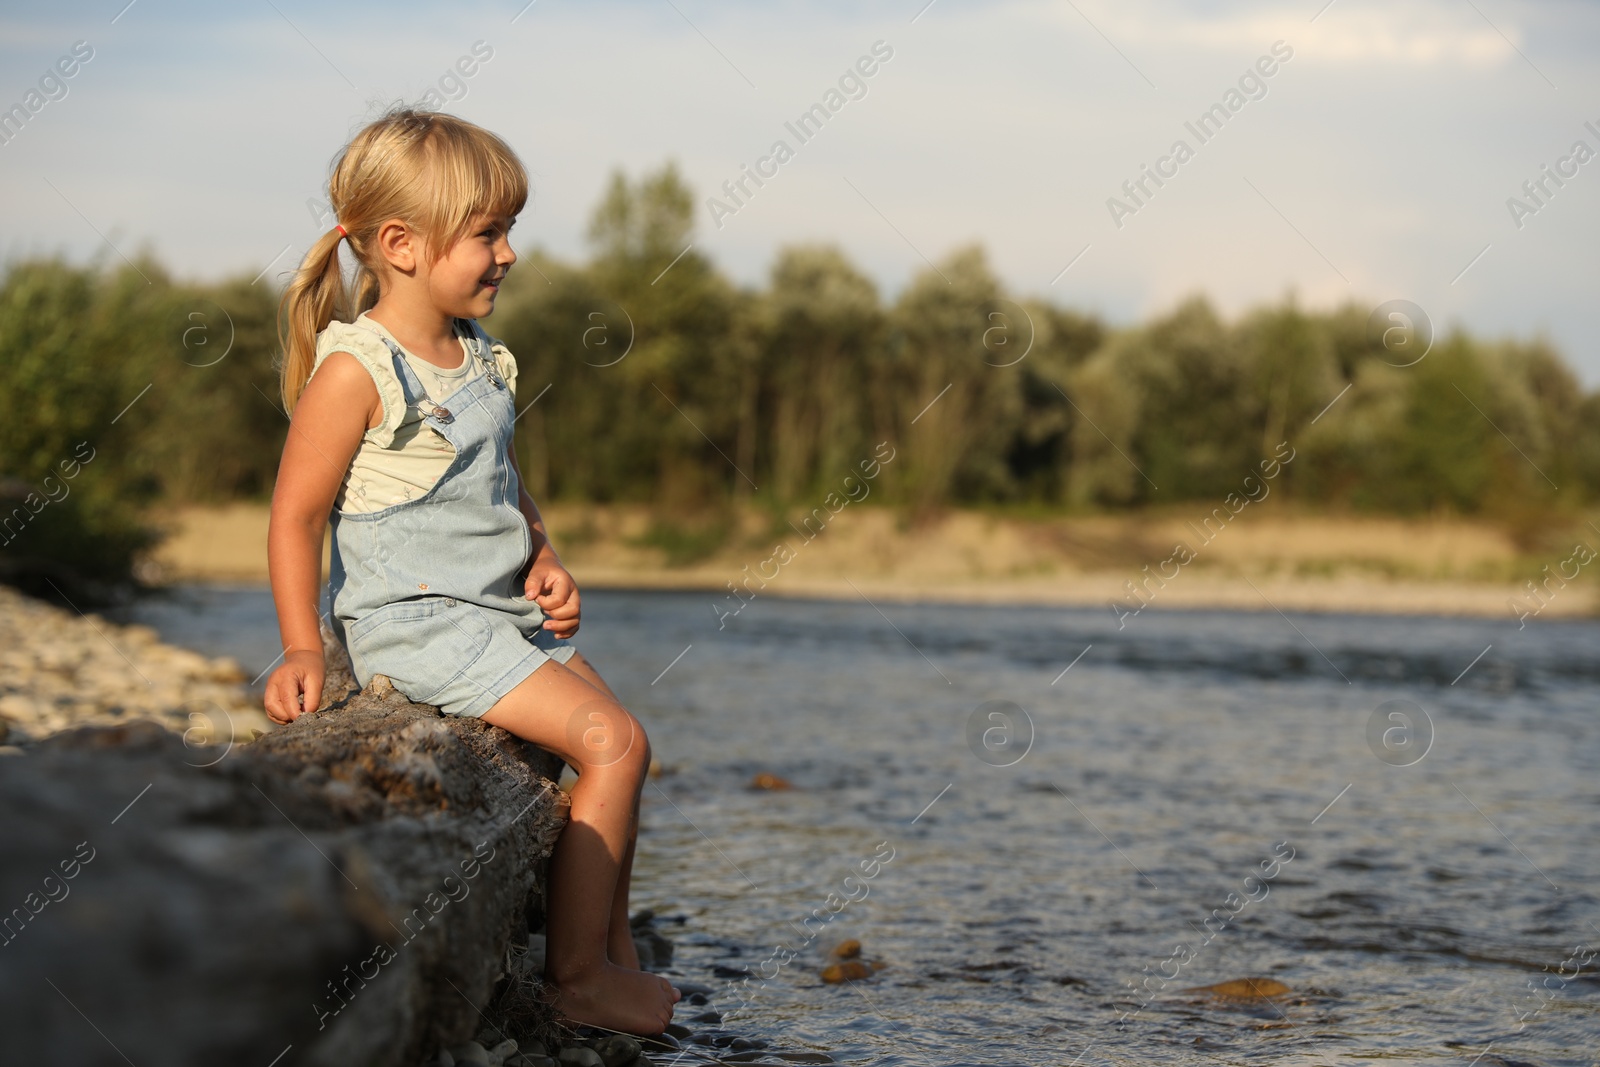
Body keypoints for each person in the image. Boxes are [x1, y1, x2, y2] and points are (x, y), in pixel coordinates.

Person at [262, 107, 678, 1036]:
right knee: (613, 743)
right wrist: (300, 643)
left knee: (620, 742)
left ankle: (611, 950)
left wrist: (544, 552)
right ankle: (576, 978)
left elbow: (501, 484)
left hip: (493, 613)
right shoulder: (361, 370)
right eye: (489, 233)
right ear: (401, 245)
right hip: (421, 624)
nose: (509, 254)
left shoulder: (480, 355)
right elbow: (294, 517)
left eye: (509, 231)